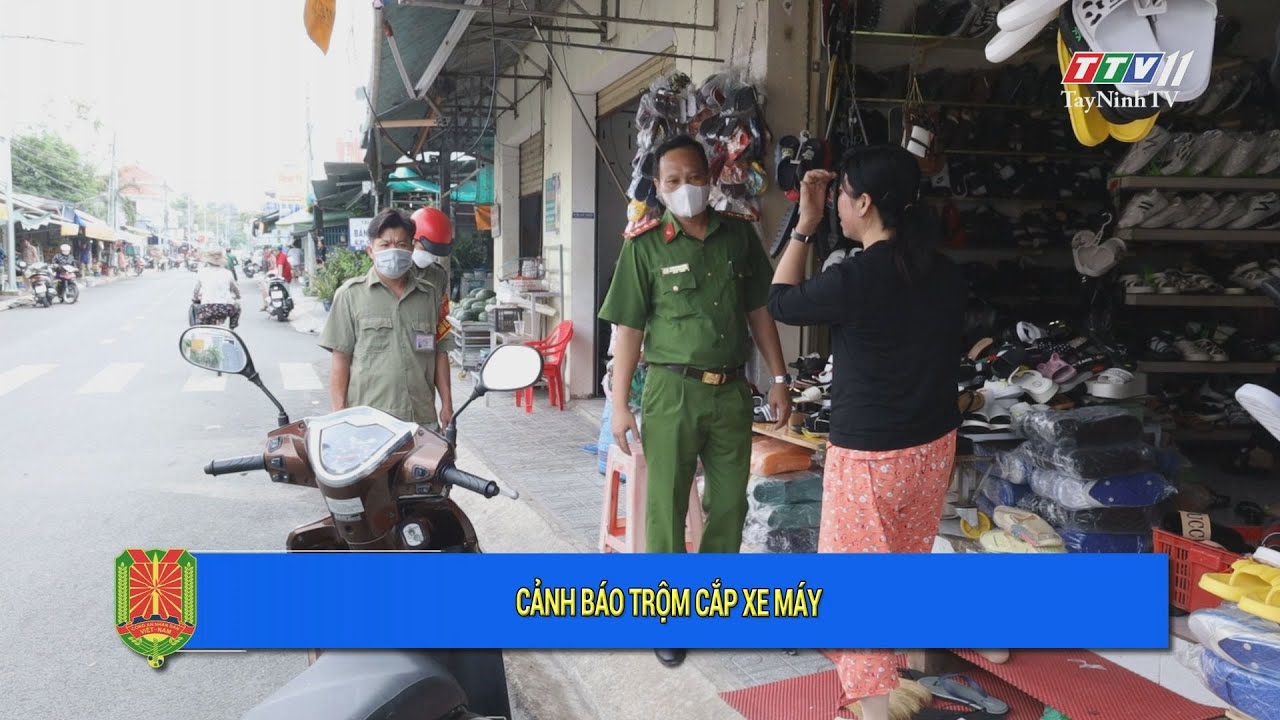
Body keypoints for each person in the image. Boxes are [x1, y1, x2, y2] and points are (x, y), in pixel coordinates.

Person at [766, 145, 966, 720]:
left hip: (872, 456)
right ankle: (885, 691)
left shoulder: (857, 276)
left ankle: (874, 706)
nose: (837, 210)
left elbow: (779, 300)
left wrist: (804, 225)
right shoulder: (944, 272)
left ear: (865, 202)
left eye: (842, 198)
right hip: (931, 450)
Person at [598, 134, 790, 669]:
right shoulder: (644, 246)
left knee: (731, 502)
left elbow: (759, 312)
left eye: (694, 178)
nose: (685, 188)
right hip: (669, 391)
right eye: (673, 181)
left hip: (730, 391)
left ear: (711, 178)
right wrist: (619, 404)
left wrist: (779, 377)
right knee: (666, 504)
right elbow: (628, 329)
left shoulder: (738, 237)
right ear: (658, 188)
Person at [318, 208, 455, 430]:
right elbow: (340, 360)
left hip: (421, 419)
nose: (394, 251)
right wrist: (339, 416)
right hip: (368, 423)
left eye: (401, 244)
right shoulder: (350, 295)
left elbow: (440, 352)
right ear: (371, 251)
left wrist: (447, 405)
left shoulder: (431, 295)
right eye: (385, 244)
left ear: (412, 247)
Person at [192, 248, 242, 329]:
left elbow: (196, 289)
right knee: (237, 308)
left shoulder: (202, 272)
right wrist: (238, 296)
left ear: (208, 261)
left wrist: (195, 297)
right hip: (226, 308)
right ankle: (231, 329)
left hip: (207, 309)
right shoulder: (227, 273)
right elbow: (235, 288)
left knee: (200, 328)